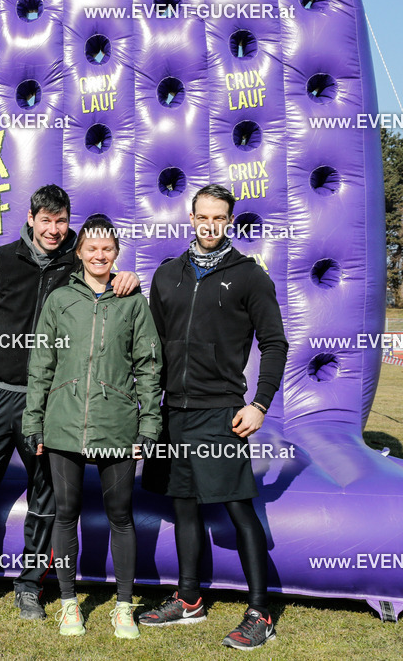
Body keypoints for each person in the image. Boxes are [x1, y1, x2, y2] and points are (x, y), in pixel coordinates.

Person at [0, 186, 141, 620]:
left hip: (50, 400)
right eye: (45, 220)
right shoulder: (3, 259)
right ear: (31, 219)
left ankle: (30, 584)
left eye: (61, 220)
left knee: (45, 493)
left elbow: (106, 279)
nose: (54, 229)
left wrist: (129, 276)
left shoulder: (79, 259)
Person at [139, 184, 288, 651]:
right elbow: (149, 348)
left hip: (221, 410)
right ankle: (188, 599)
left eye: (219, 218)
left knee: (237, 506)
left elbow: (275, 343)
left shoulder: (249, 276)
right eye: (203, 217)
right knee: (183, 503)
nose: (210, 226)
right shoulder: (167, 274)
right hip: (173, 411)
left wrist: (259, 403)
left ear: (230, 221)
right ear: (190, 217)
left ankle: (261, 611)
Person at [22, 215, 162, 639]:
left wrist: (149, 427)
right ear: (79, 252)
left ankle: (123, 606)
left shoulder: (134, 301)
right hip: (63, 425)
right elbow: (40, 365)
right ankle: (68, 604)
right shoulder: (60, 299)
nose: (99, 256)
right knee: (65, 515)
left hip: (116, 427)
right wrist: (34, 421)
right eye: (91, 249)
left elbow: (149, 367)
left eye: (107, 249)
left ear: (115, 253)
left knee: (120, 516)